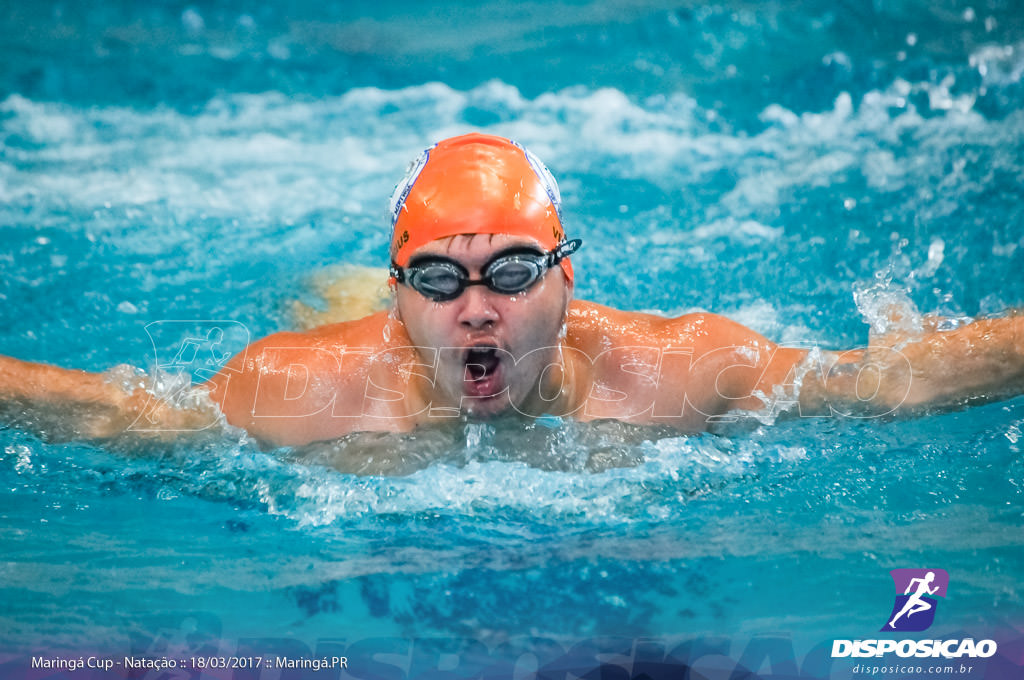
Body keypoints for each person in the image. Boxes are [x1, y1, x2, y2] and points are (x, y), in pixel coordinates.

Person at [0, 133, 1021, 449]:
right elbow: (118, 416)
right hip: (355, 342)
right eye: (439, 280)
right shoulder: (299, 388)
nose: (478, 308)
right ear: (402, 297)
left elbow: (887, 381)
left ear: (568, 276)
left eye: (514, 273)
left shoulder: (678, 369)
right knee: (325, 306)